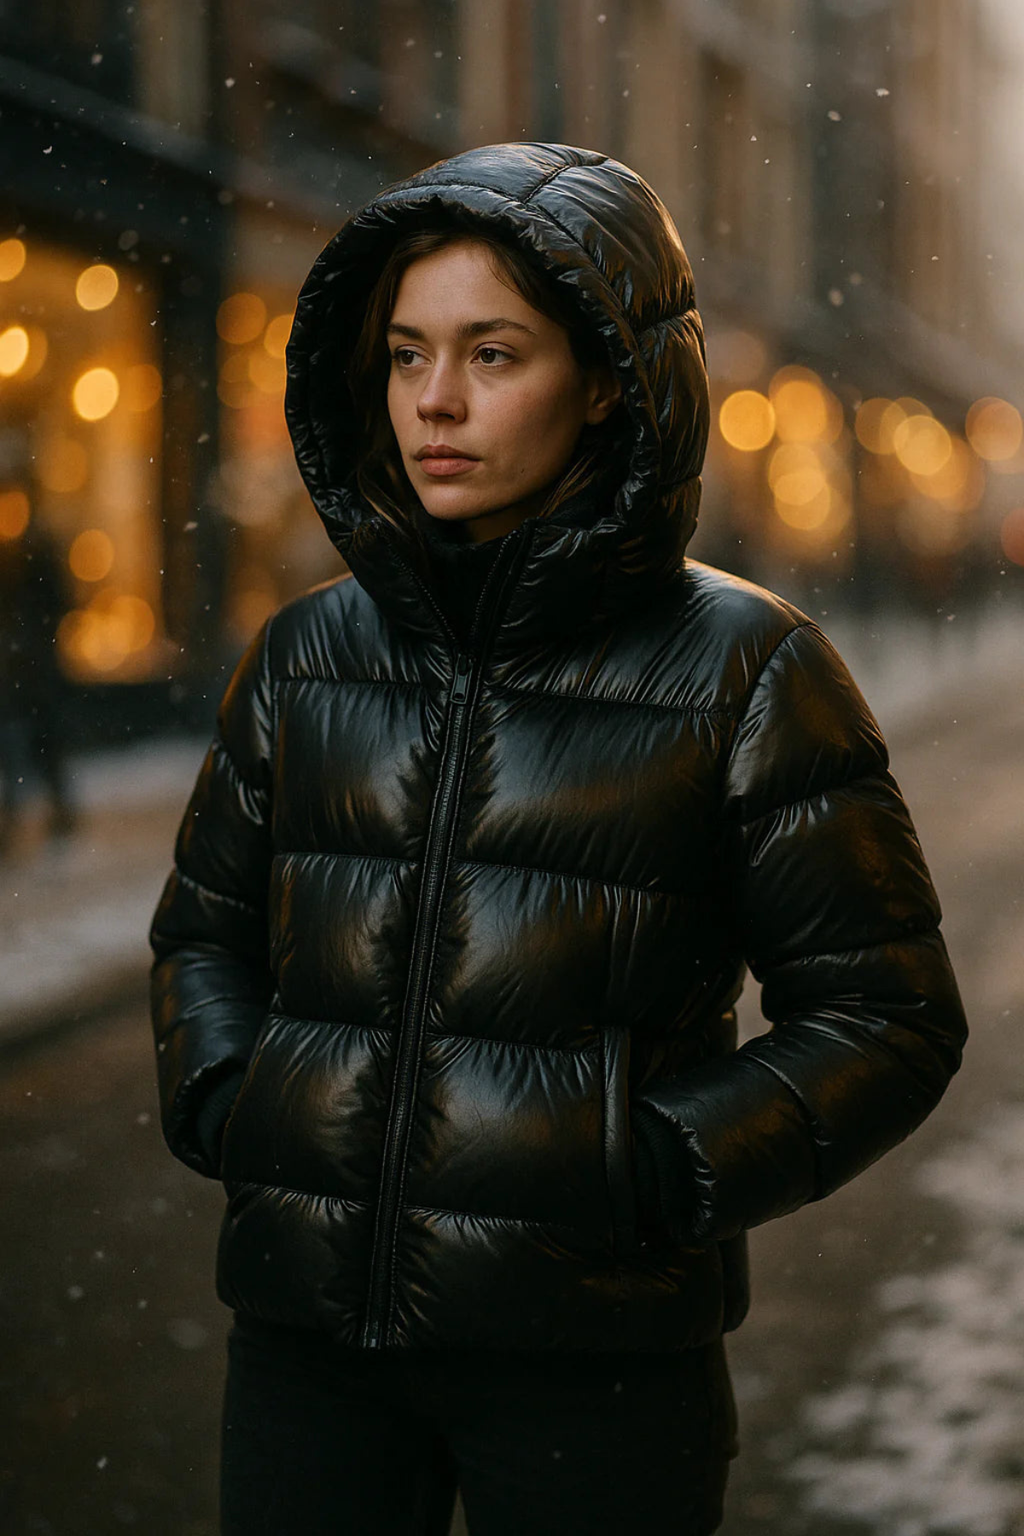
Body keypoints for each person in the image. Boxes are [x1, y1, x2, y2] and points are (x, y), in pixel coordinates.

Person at [149, 142, 967, 1536]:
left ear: (605, 381)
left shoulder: (743, 670)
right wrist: (240, 1101)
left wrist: (643, 1172)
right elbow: (203, 937)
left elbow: (886, 1016)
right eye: (406, 356)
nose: (436, 403)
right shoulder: (306, 654)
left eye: (492, 353)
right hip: (309, 1353)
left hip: (593, 1371)